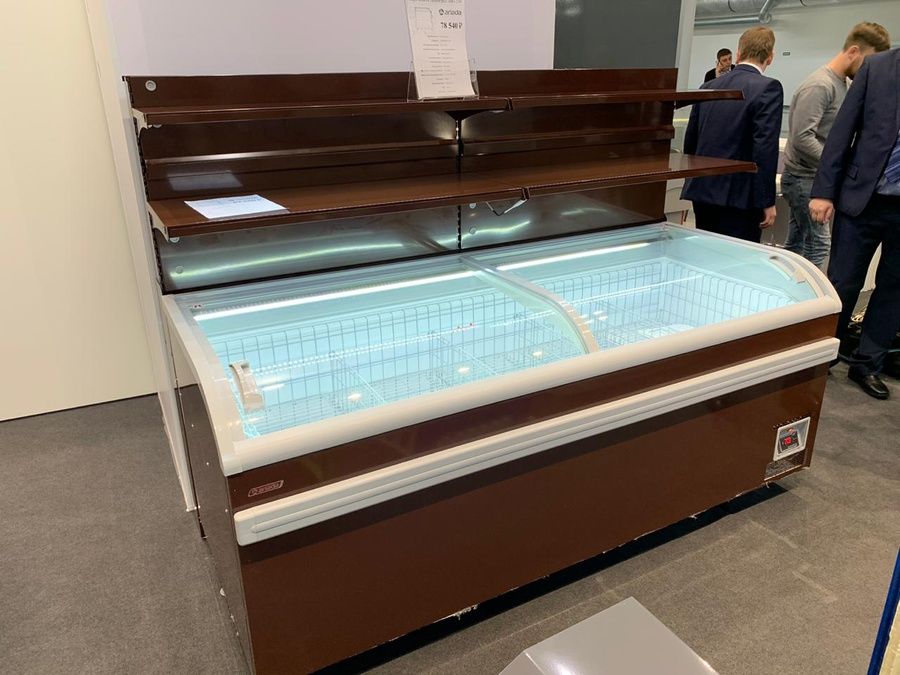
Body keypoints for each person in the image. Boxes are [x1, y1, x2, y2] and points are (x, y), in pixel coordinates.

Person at [810, 45, 900, 400]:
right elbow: (841, 132)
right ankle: (824, 357)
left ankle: (868, 364)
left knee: (894, 288)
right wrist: (823, 192)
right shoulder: (877, 68)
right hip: (862, 199)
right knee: (843, 282)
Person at [783, 23, 891, 268]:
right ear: (853, 51)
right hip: (803, 179)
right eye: (869, 62)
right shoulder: (821, 85)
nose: (870, 71)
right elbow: (802, 138)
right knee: (819, 246)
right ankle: (814, 294)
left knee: (796, 245)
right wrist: (835, 166)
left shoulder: (842, 84)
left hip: (810, 177)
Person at [682, 27, 783, 243]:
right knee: (737, 258)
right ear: (770, 56)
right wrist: (767, 200)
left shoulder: (708, 86)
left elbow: (690, 142)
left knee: (705, 253)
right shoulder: (768, 88)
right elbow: (764, 148)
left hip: (703, 191)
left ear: (738, 53)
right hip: (740, 198)